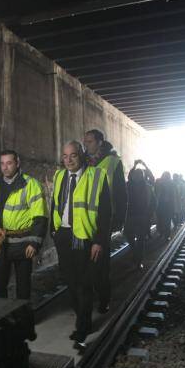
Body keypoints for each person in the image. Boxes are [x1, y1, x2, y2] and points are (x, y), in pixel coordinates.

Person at [51, 140, 112, 350]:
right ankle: (81, 317)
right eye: (65, 156)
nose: (68, 160)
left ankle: (83, 326)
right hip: (65, 236)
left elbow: (106, 213)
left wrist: (99, 241)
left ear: (82, 155)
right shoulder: (59, 176)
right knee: (70, 282)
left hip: (85, 237)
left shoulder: (96, 176)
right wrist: (54, 230)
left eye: (73, 155)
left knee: (84, 284)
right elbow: (55, 204)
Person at [0, 149, 47, 300]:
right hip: (1, 243)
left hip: (23, 244)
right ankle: (2, 319)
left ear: (17, 163)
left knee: (23, 286)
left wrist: (34, 243)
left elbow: (40, 216)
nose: (5, 167)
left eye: (9, 163)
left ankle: (23, 320)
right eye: (2, 163)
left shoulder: (30, 184)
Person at [82, 129, 127, 313]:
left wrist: (119, 219)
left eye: (90, 141)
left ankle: (103, 299)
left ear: (100, 142)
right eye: (85, 142)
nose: (87, 145)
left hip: (102, 219)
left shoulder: (113, 162)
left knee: (100, 264)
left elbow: (121, 194)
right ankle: (87, 297)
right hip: (82, 219)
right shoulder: (82, 161)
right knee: (84, 263)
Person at [125, 164, 156, 268]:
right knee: (130, 236)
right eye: (136, 175)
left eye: (139, 175)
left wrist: (149, 214)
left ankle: (138, 261)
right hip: (131, 216)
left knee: (140, 239)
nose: (137, 177)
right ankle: (135, 252)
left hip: (140, 216)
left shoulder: (147, 187)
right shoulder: (128, 185)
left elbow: (153, 202)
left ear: (142, 176)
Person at [155, 171, 175, 239]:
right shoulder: (158, 182)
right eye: (165, 176)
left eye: (167, 176)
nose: (166, 178)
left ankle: (167, 235)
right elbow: (155, 192)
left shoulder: (172, 184)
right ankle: (161, 232)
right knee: (160, 219)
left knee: (167, 220)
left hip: (168, 205)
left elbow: (174, 195)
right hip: (160, 204)